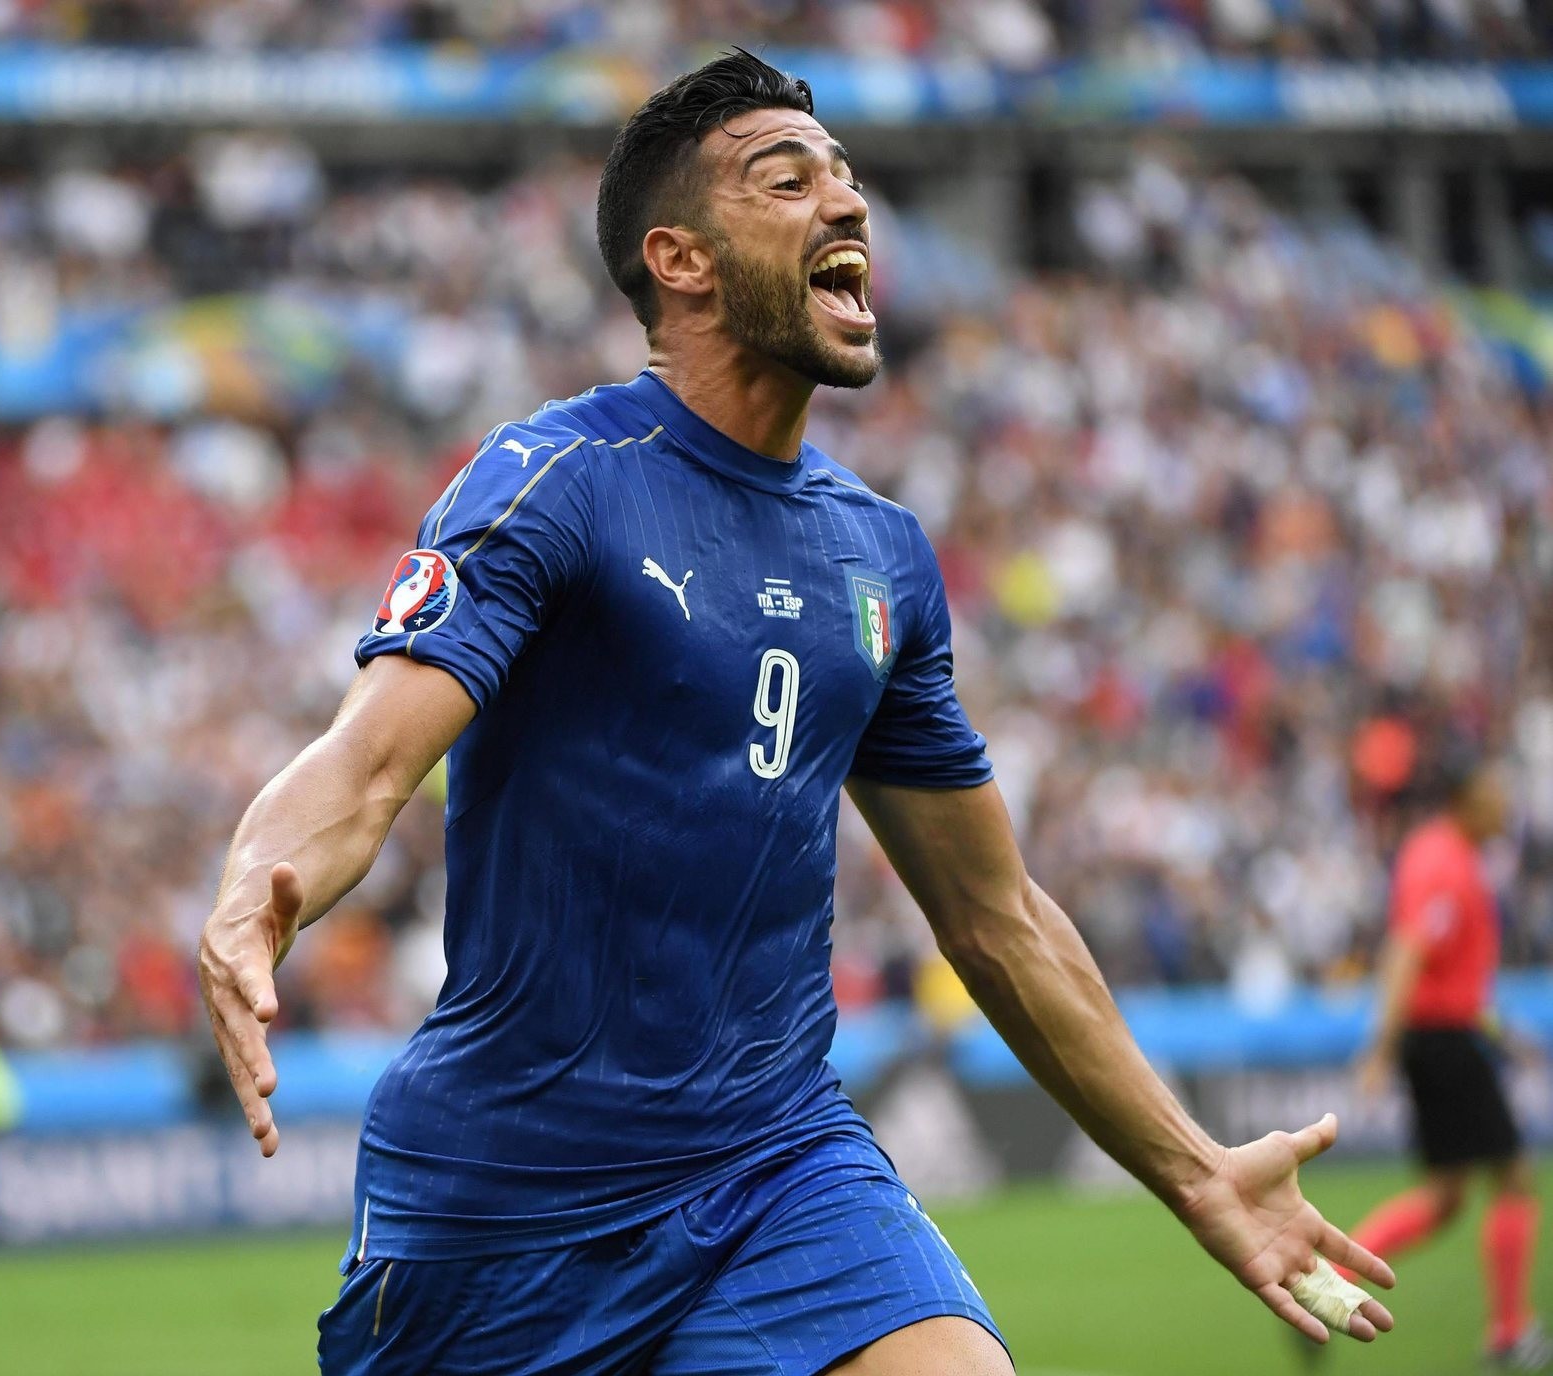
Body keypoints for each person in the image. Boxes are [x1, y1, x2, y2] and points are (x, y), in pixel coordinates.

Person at [197, 49, 1395, 1375]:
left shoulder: (876, 557)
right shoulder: (555, 481)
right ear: (682, 261)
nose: (847, 204)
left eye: (845, 176)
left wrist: (1194, 1170)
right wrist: (259, 876)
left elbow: (993, 918)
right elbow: (366, 760)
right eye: (787, 180)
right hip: (502, 1211)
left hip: (774, 1164)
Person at [1348, 749, 1545, 1369]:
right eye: (1494, 791)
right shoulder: (1445, 863)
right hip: (1441, 1042)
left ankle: (1334, 1278)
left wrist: (1496, 1028)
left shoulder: (1444, 854)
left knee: (1447, 1196)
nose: (1504, 805)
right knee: (1511, 1178)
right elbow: (1407, 954)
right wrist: (1379, 1049)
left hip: (1448, 1034)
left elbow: (1446, 971)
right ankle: (1511, 1332)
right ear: (1466, 799)